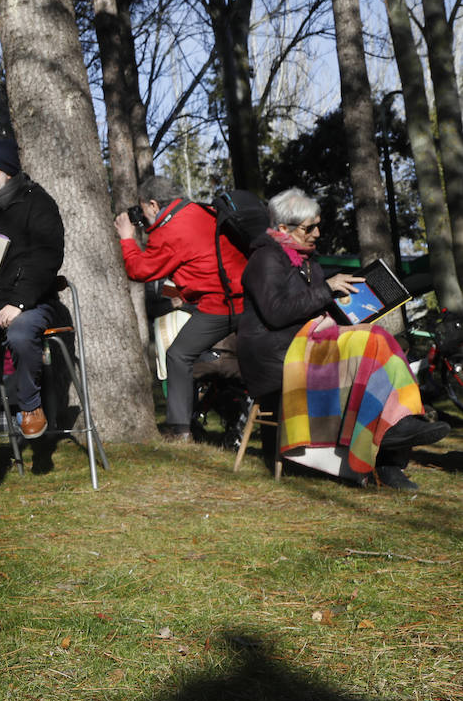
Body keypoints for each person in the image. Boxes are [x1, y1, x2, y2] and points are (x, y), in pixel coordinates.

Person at [239, 188, 448, 489]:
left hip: (307, 342)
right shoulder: (266, 259)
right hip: (277, 355)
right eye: (308, 228)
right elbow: (276, 313)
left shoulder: (308, 261)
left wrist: (357, 307)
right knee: (373, 342)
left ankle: (395, 438)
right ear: (282, 228)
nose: (317, 233)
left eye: (317, 225)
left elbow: (312, 308)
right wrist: (327, 289)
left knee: (383, 343)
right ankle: (388, 444)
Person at [115, 175, 248, 442]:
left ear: (153, 205)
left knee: (178, 355)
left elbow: (139, 270)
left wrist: (127, 238)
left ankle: (180, 430)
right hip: (244, 297)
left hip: (220, 304)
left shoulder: (170, 230)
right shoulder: (201, 210)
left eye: (143, 209)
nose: (143, 215)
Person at [0, 137, 65, 441]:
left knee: (21, 333)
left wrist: (19, 302)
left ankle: (30, 405)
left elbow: (45, 258)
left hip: (32, 302)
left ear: (7, 172)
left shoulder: (37, 204)